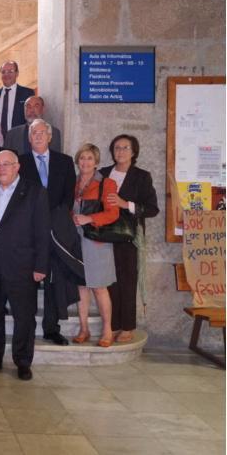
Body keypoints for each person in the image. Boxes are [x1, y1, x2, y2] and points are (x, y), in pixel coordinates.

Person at [0, 150, 50, 381]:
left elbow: (42, 233)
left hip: (22, 268)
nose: (2, 168)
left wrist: (41, 266)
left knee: (24, 318)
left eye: (7, 164)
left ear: (17, 167)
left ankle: (23, 361)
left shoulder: (34, 192)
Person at [18, 119, 76, 347]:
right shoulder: (20, 162)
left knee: (54, 280)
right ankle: (27, 327)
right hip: (27, 232)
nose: (38, 136)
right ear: (29, 137)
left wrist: (54, 221)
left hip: (55, 231)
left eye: (42, 132)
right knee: (27, 281)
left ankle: (52, 328)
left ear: (50, 137)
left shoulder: (64, 162)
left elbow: (68, 197)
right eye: (34, 133)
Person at [100, 134, 159, 343]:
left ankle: (127, 326)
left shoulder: (142, 176)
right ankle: (114, 325)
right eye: (117, 147)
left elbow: (152, 209)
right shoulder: (103, 173)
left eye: (125, 148)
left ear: (134, 152)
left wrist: (126, 204)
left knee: (127, 280)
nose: (120, 152)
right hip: (104, 236)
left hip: (128, 237)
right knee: (108, 282)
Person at [71, 143, 119, 347]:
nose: (85, 162)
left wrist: (88, 218)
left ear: (96, 162)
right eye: (82, 158)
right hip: (76, 239)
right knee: (81, 286)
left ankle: (107, 330)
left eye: (90, 158)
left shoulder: (106, 183)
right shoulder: (73, 182)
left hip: (96, 241)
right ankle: (84, 329)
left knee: (99, 287)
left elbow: (113, 213)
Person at [0, 60, 35, 138]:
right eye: (3, 72)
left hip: (19, 138)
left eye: (10, 71)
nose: (6, 74)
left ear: (17, 73)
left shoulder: (27, 93)